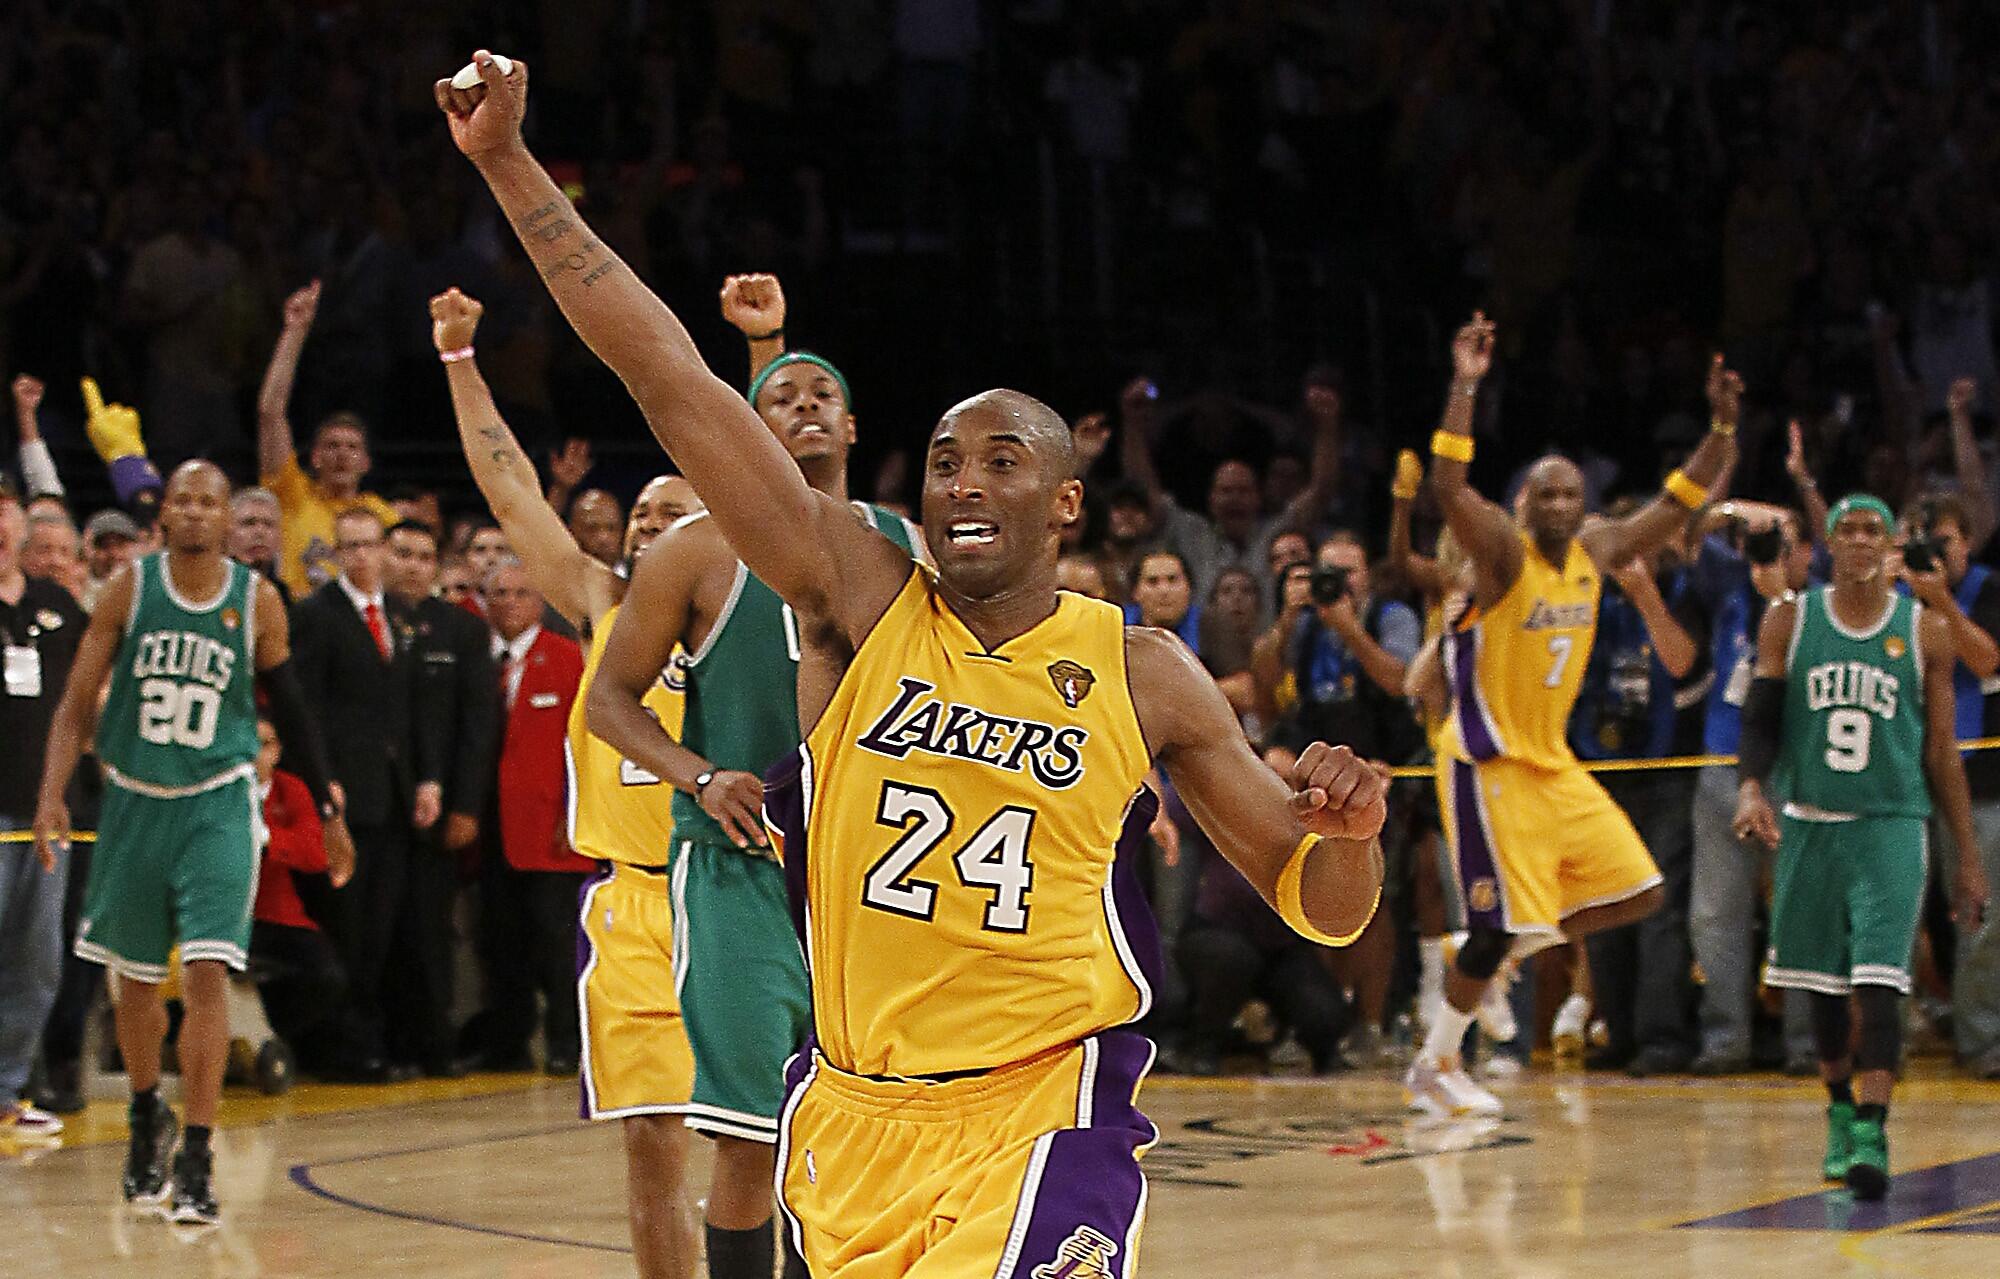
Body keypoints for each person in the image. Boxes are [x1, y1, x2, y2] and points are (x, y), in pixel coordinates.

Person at [437, 51, 1384, 1275]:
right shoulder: (854, 599)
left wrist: (1350, 835)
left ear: (1065, 507)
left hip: (1046, 1111)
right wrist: (510, 165)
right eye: (944, 462)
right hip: (855, 1112)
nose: (965, 483)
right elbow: (667, 377)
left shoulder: (1140, 670)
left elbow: (1316, 901)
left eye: (1001, 462)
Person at [584, 272, 917, 1279]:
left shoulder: (902, 544)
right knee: (747, 1131)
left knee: (864, 1123)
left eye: (821, 396)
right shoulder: (693, 551)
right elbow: (610, 702)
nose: (803, 406)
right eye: (781, 397)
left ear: (852, 424)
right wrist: (697, 775)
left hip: (863, 878)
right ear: (748, 421)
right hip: (733, 872)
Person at [432, 285, 700, 1279]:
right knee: (652, 1145)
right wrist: (460, 361)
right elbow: (509, 494)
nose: (647, 527)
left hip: (741, 891)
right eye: (639, 514)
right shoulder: (600, 603)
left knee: (784, 1139)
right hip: (632, 898)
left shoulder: (754, 613)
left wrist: (764, 343)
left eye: (674, 513)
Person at [1412, 313, 1734, 1117]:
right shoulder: (1504, 555)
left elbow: (1678, 501)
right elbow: (1448, 488)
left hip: (1551, 763)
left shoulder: (1597, 551)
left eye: (1571, 493)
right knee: (1491, 931)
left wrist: (1724, 429)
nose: (1560, 503)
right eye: (1546, 492)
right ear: (1525, 502)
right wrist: (1466, 384)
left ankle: (1495, 951)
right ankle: (1436, 1060)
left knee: (1639, 891)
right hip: (1486, 764)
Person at [33, 461, 353, 1225]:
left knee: (209, 971)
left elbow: (297, 713)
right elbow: (77, 699)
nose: (197, 512)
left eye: (211, 500)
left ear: (225, 515)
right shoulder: (128, 589)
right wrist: (49, 792)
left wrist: (331, 806)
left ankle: (200, 1155)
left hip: (218, 800)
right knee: (136, 986)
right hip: (136, 799)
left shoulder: (259, 599)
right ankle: (149, 1113)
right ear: (165, 514)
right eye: (184, 499)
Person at [1733, 494, 1988, 1199]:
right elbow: (1760, 718)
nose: (1858, 540)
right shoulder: (1790, 617)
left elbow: (1942, 751)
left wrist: (1966, 854)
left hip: (1891, 824)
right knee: (1819, 986)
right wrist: (1752, 788)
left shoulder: (1925, 629)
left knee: (1881, 984)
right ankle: (1839, 1111)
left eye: (1872, 529)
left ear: (1891, 545)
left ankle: (1874, 1123)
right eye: (1846, 529)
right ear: (1827, 542)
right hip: (1812, 819)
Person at [290, 507, 428, 1080]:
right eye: (349, 547)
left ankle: (374, 1040)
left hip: (394, 796)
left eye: (371, 545)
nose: (362, 556)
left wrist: (424, 777)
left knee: (384, 928)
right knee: (348, 926)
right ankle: (342, 1048)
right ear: (334, 554)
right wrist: (325, 783)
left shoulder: (401, 616)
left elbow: (409, 710)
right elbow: (308, 708)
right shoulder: (316, 615)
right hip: (347, 797)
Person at [1685, 504, 1821, 1074]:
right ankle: (1725, 1040)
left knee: (1802, 909)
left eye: (1783, 543)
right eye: (1760, 543)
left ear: (1807, 553)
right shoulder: (1728, 590)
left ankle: (1808, 1045)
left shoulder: (1822, 606)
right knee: (1715, 913)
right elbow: (1690, 535)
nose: (1770, 553)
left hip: (1799, 768)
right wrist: (1733, 512)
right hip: (1721, 762)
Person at [1565, 530, 1701, 1074]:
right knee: (1605, 908)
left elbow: (1682, 661)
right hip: (1599, 768)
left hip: (1666, 769)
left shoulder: (1681, 591)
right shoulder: (1582, 603)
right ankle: (1618, 1031)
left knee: (1659, 907)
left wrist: (1645, 594)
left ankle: (1662, 1037)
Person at [465, 557, 592, 1075]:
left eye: (519, 593)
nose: (508, 603)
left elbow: (585, 743)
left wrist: (574, 812)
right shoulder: (476, 658)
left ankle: (567, 1042)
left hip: (550, 830)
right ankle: (508, 1043)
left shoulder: (566, 659)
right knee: (500, 940)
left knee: (556, 943)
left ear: (539, 602)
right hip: (491, 828)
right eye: (498, 594)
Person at [383, 517, 499, 1077]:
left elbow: (479, 726)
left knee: (431, 931)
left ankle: (431, 1044)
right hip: (374, 808)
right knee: (378, 926)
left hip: (438, 808)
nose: (411, 565)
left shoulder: (462, 630)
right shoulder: (366, 622)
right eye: (401, 553)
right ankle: (380, 1044)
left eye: (423, 556)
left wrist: (467, 806)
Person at [0, 470, 86, 1139]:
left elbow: (94, 690)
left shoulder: (57, 606)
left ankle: (7, 1091)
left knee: (38, 960)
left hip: (46, 816)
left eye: (4, 507)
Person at [255, 281, 399, 598]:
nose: (342, 455)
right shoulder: (292, 495)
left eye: (352, 448)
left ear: (366, 462)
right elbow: (271, 414)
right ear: (315, 457)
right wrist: (295, 331)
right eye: (332, 446)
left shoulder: (383, 516)